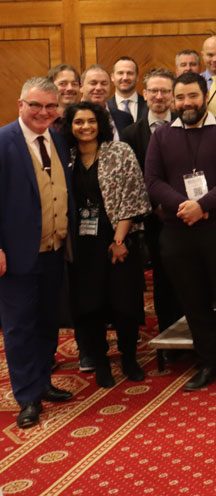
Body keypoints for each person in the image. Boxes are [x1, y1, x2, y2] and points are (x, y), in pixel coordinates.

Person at [145, 72, 216, 391]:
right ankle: (209, 362)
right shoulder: (162, 136)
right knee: (193, 302)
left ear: (205, 96)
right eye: (179, 97)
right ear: (172, 100)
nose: (186, 103)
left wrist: (204, 205)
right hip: (178, 231)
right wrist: (185, 206)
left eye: (192, 96)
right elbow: (153, 181)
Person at [1, 78, 75, 428]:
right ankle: (27, 396)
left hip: (53, 250)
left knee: (48, 320)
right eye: (35, 105)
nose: (43, 112)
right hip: (15, 256)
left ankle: (43, 382)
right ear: (20, 104)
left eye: (50, 106)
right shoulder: (3, 142)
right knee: (19, 327)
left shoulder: (58, 139)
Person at [63, 101, 152, 387]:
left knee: (124, 302)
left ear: (100, 123)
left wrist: (119, 239)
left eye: (91, 121)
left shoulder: (119, 152)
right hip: (81, 245)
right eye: (78, 122)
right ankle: (100, 361)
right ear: (71, 126)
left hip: (117, 240)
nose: (85, 127)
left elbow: (133, 194)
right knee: (90, 305)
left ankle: (128, 357)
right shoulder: (67, 157)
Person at [119, 68, 183, 333]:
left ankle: (194, 330)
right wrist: (154, 206)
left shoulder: (187, 124)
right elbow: (133, 178)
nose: (159, 96)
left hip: (185, 212)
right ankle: (168, 331)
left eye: (165, 91)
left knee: (189, 276)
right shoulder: (130, 134)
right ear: (144, 94)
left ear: (173, 95)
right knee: (163, 277)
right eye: (154, 91)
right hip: (154, 217)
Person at [107, 56, 146, 129]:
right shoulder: (106, 107)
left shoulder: (148, 105)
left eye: (130, 73)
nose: (125, 78)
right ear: (112, 77)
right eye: (120, 73)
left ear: (137, 77)